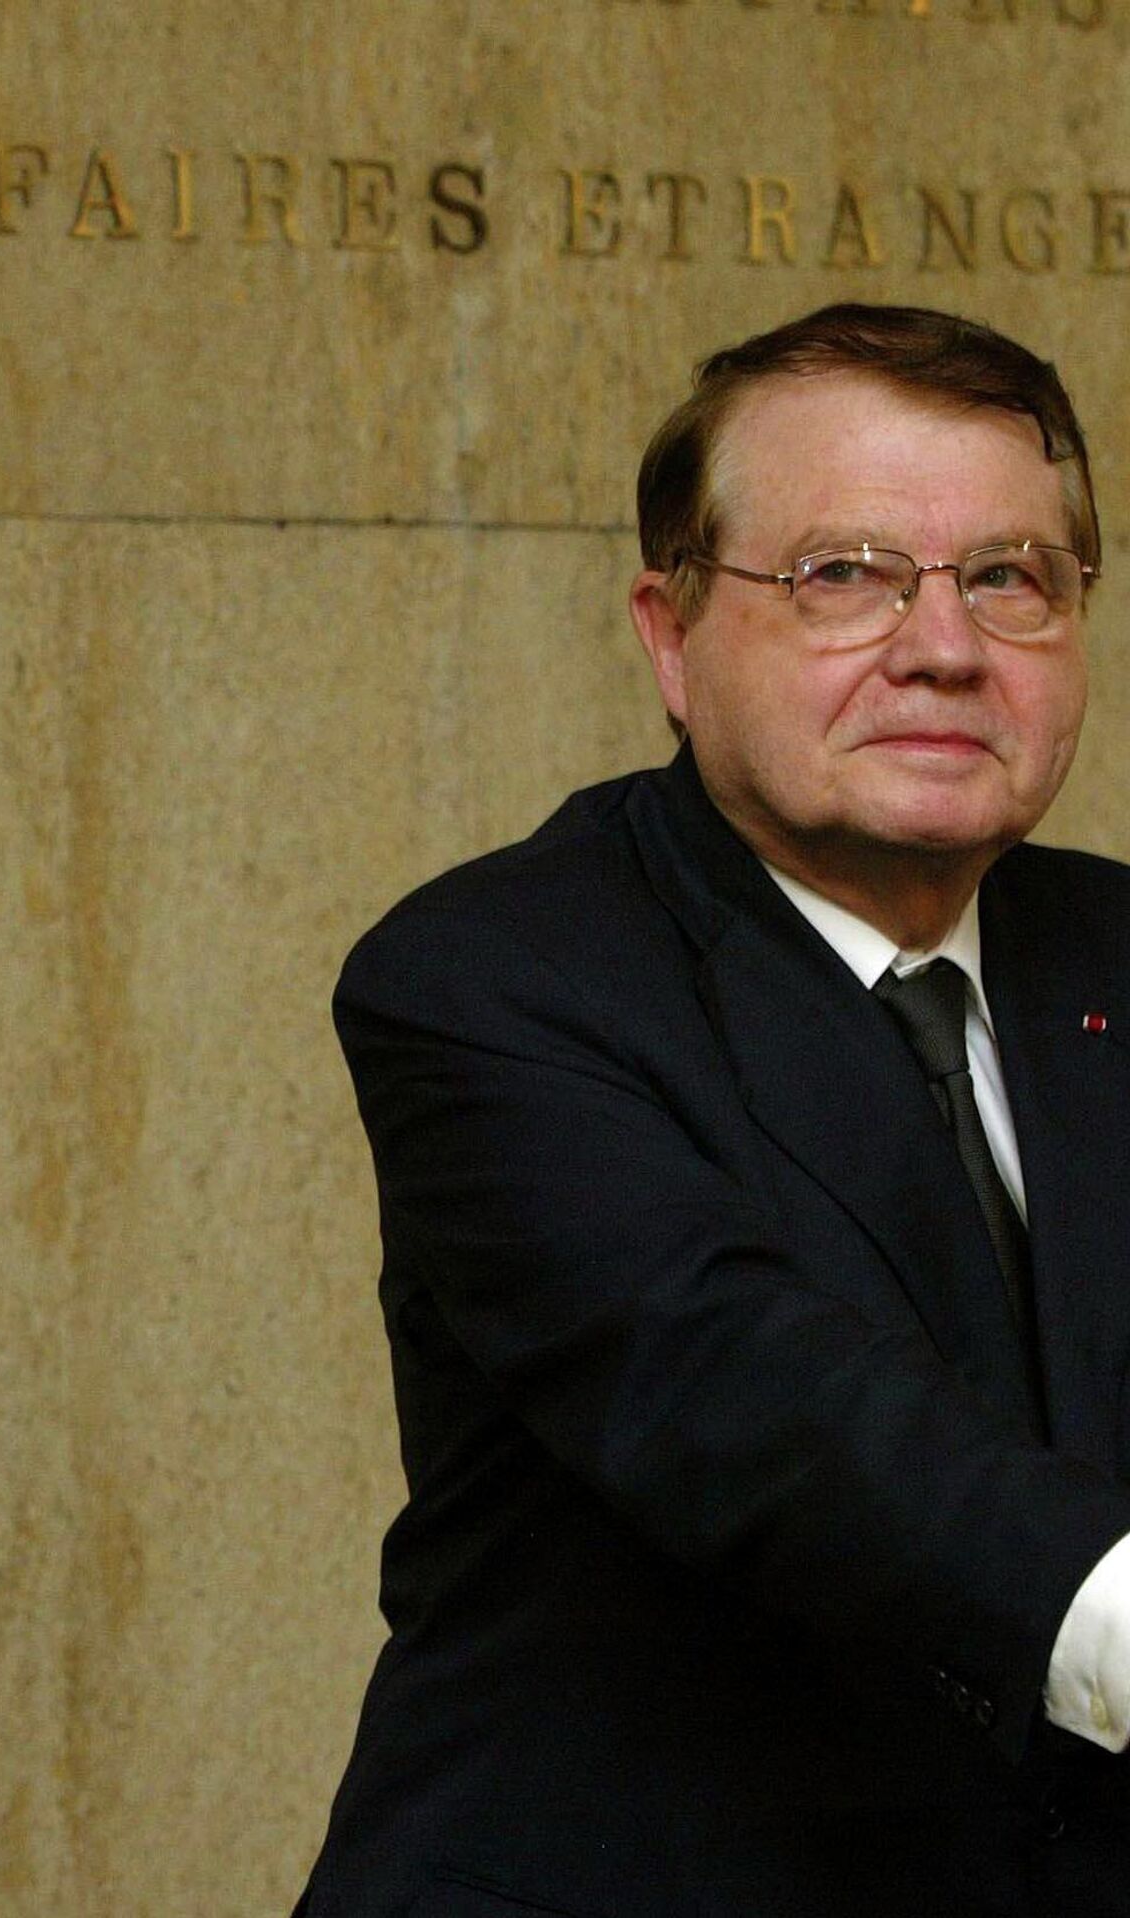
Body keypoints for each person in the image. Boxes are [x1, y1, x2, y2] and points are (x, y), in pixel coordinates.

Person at [293, 304, 1130, 1917]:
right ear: (671, 636)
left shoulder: (1115, 955)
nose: (944, 645)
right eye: (846, 574)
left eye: (1010, 577)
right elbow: (758, 1398)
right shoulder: (497, 977)